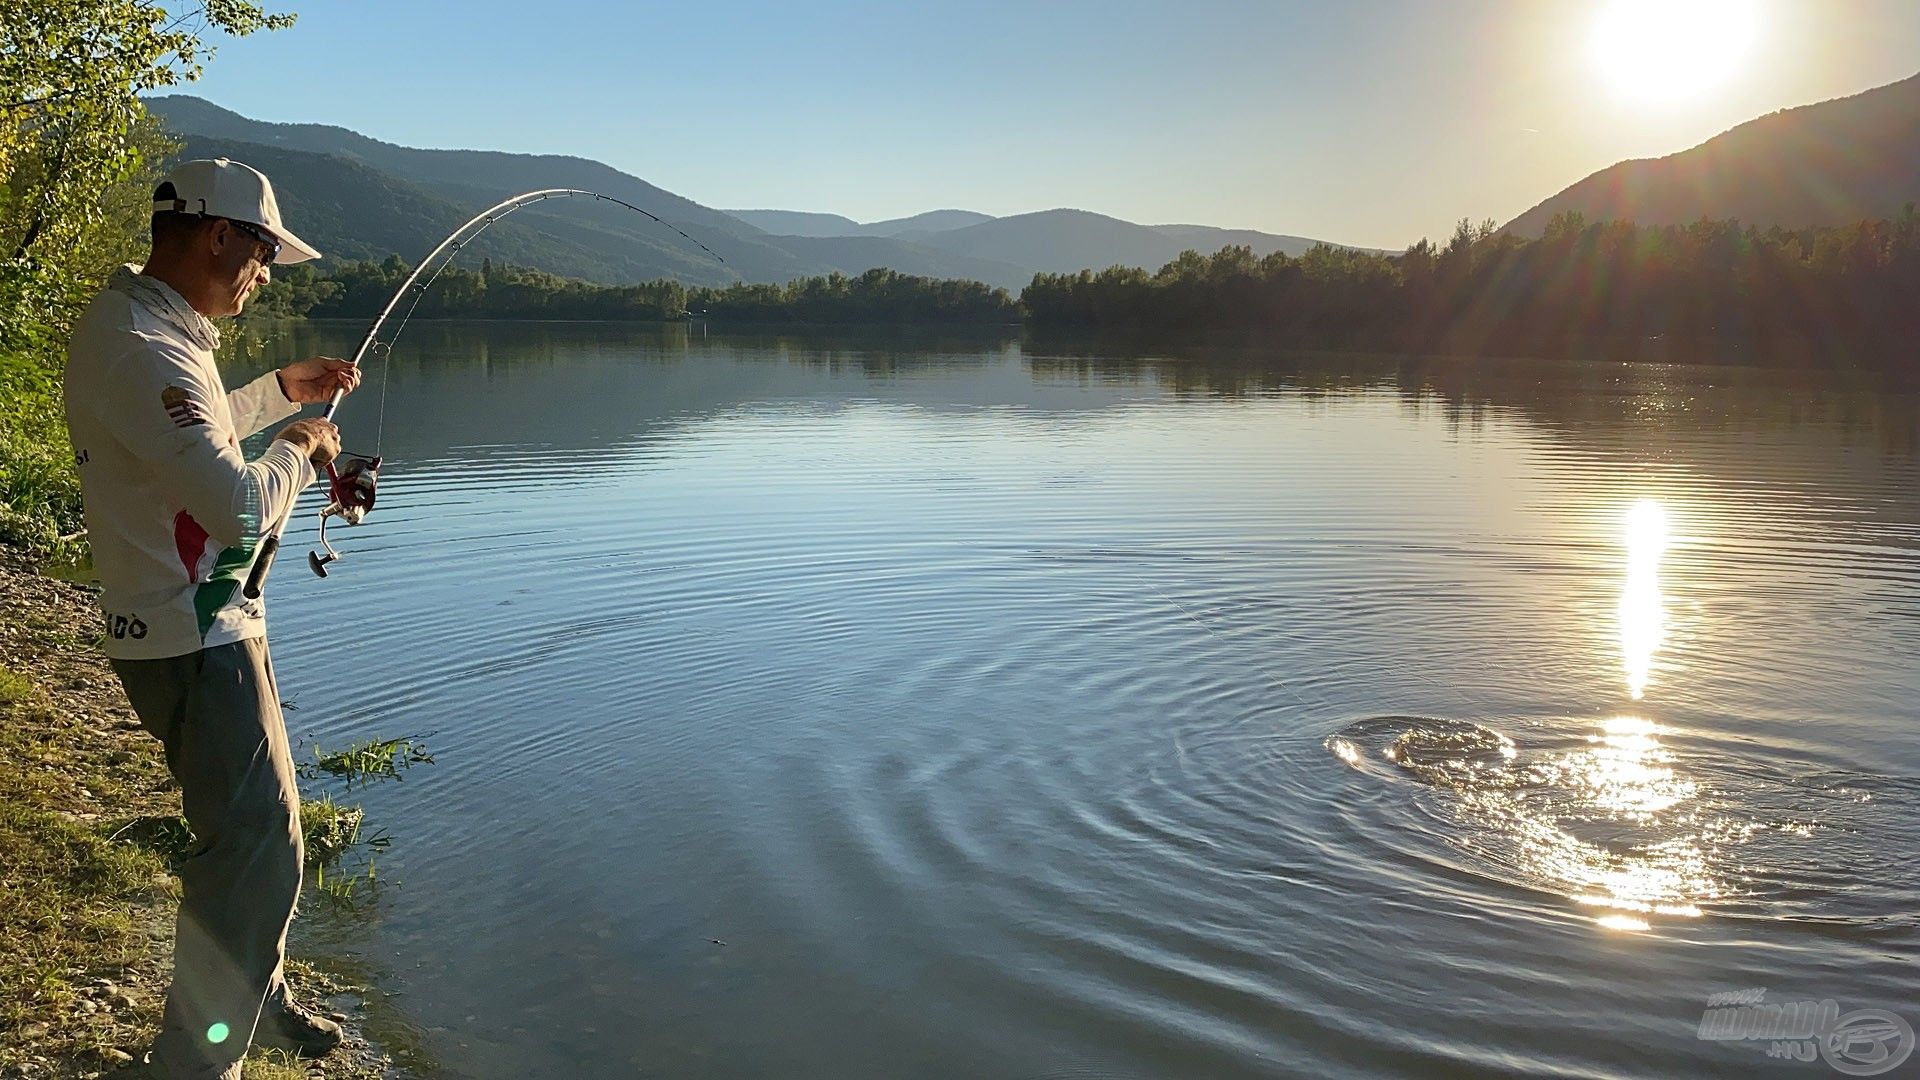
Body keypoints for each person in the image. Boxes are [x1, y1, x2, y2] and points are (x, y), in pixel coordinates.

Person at [63, 157, 360, 1078]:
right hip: (194, 636)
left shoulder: (148, 331)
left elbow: (182, 441)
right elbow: (234, 505)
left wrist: (276, 394)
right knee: (260, 854)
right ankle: (198, 1059)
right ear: (217, 233)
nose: (266, 271)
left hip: (198, 624)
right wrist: (301, 445)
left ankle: (254, 1002)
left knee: (242, 844)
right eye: (264, 250)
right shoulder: (143, 348)